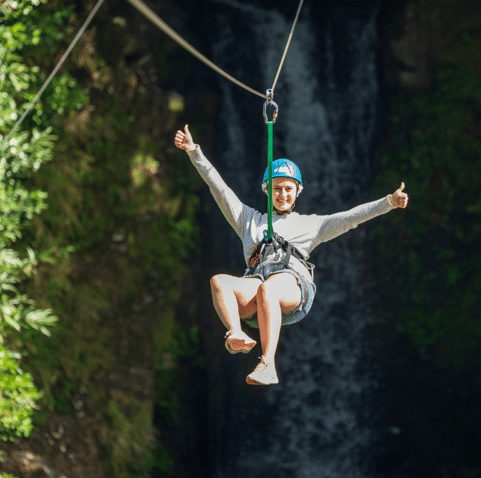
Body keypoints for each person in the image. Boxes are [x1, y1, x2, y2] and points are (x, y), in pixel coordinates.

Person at [174, 124, 408, 385]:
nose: (282, 194)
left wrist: (388, 202)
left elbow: (351, 218)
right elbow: (219, 188)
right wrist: (194, 152)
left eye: (288, 188)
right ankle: (235, 335)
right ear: (267, 190)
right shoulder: (248, 220)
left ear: (297, 191)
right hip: (258, 284)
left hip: (292, 288)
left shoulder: (312, 225)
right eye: (276, 188)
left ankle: (267, 364)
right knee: (219, 282)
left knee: (269, 289)